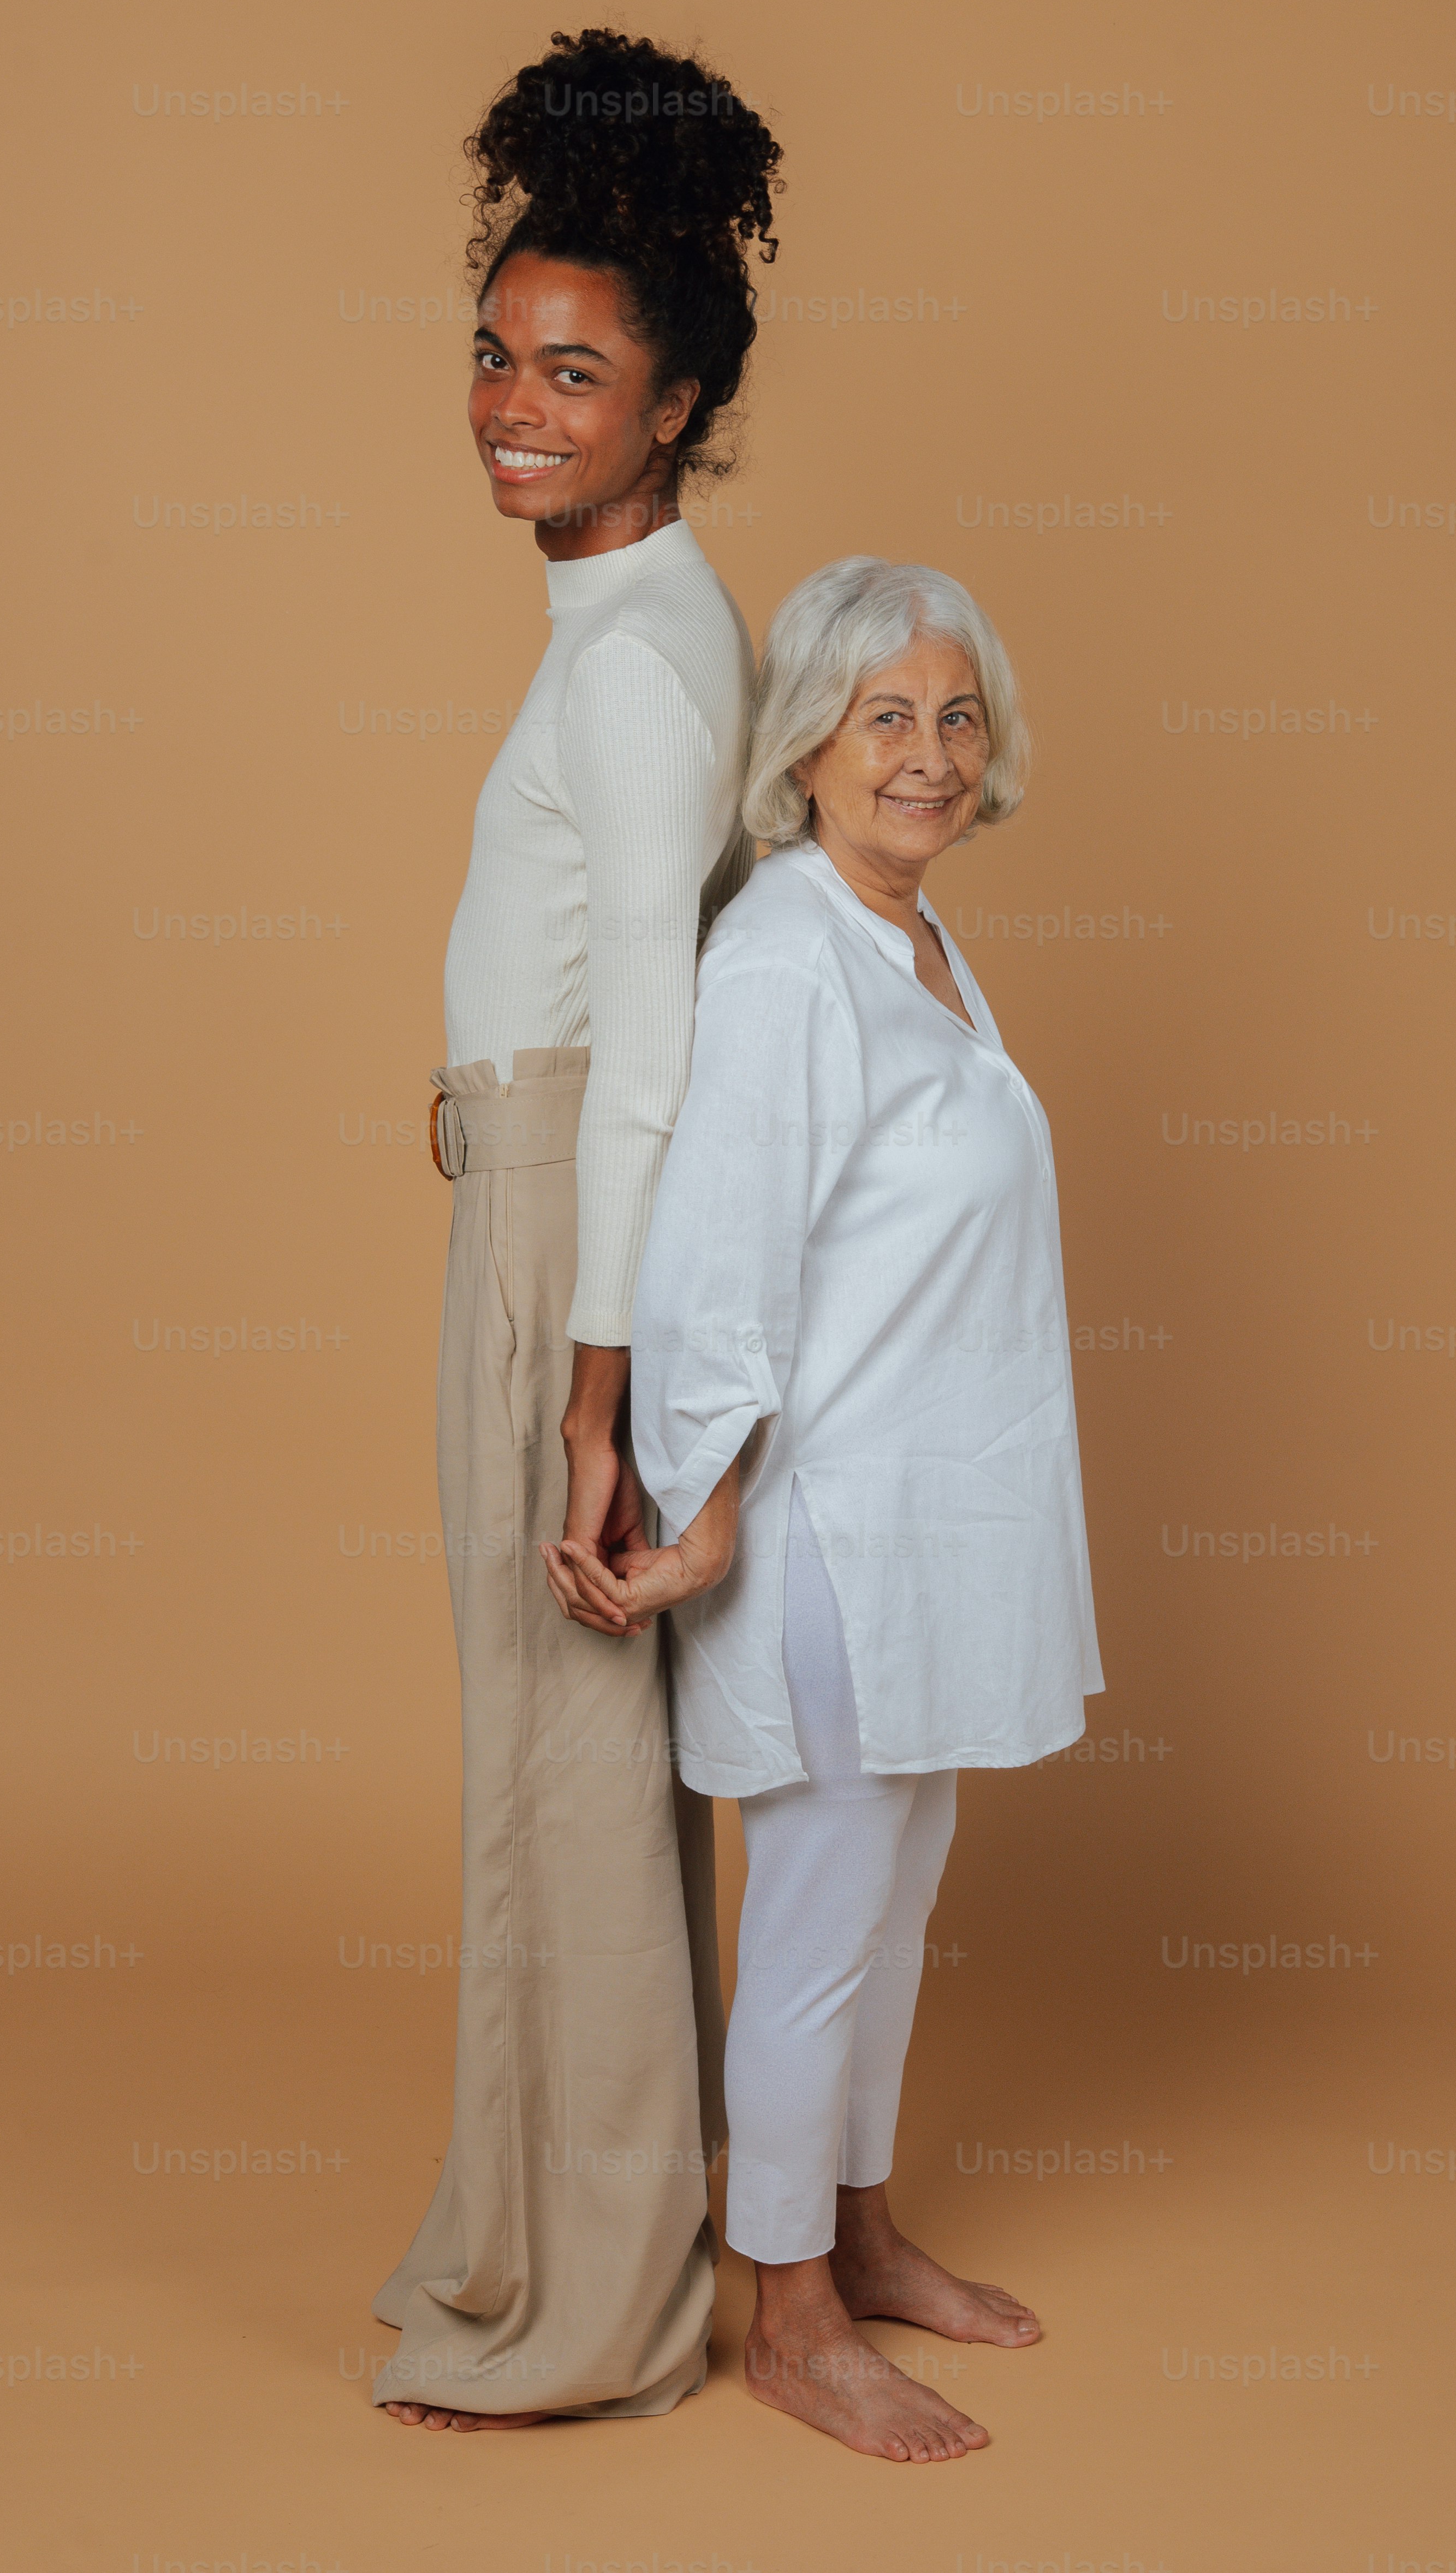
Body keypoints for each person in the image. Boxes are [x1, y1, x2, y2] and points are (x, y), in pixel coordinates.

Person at [542, 558, 1104, 2461]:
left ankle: (859, 2234)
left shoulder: (915, 941)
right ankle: (786, 2312)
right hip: (833, 1541)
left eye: (954, 716)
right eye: (886, 718)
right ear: (807, 749)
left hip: (943, 1533)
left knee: (898, 1899)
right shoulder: (789, 948)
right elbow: (718, 1260)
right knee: (819, 1920)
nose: (929, 757)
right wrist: (695, 1514)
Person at [372, 29, 780, 2431]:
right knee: (567, 1760)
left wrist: (593, 1391)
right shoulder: (625, 627)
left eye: (573, 373)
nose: (515, 406)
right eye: (497, 359)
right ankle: (550, 2231)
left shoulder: (636, 666)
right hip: (544, 1213)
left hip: (558, 1238)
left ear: (673, 403)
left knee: (560, 1762)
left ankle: (596, 2302)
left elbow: (647, 1053)